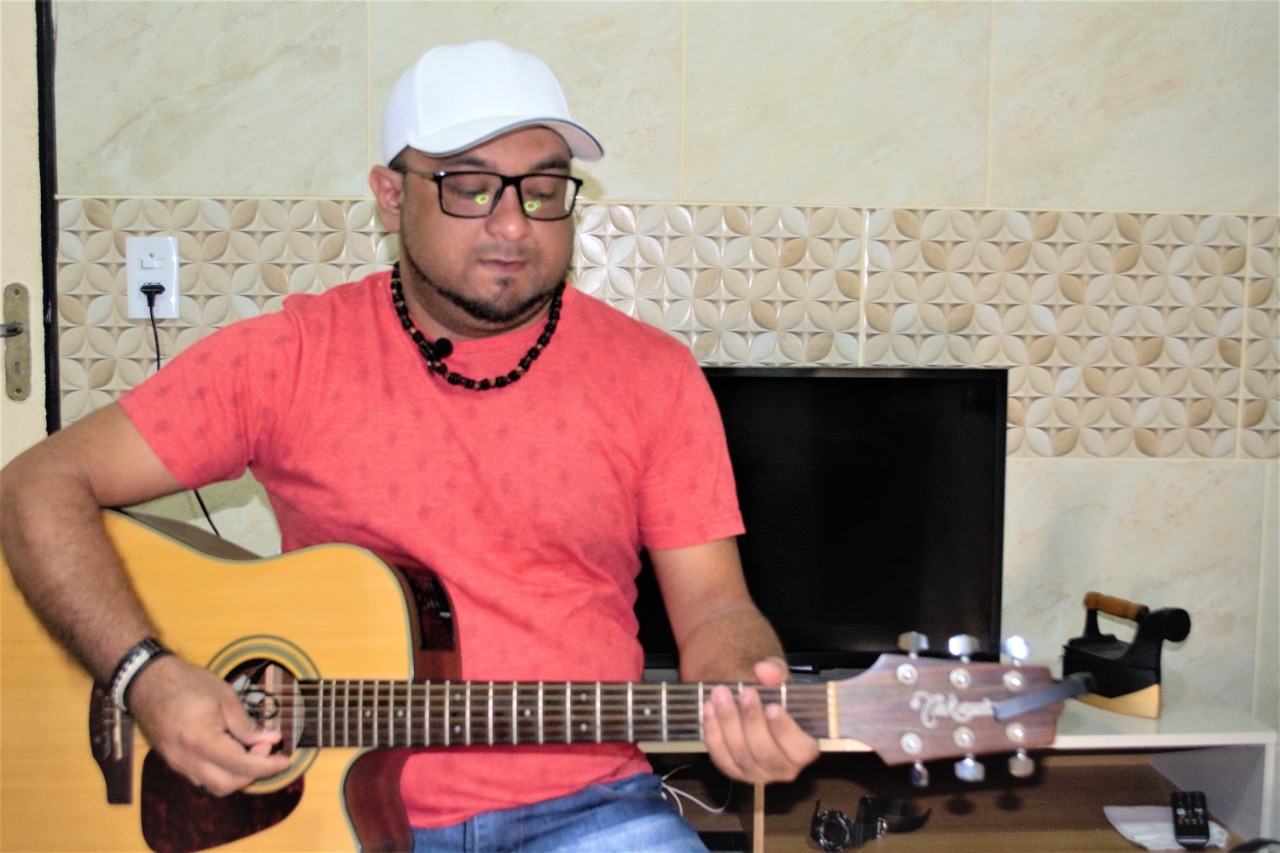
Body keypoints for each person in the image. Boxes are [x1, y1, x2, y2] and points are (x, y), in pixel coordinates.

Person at [0, 40, 819, 851]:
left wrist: (746, 685)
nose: (513, 225)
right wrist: (144, 676)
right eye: (469, 189)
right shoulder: (291, 357)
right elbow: (35, 486)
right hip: (327, 822)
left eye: (542, 191)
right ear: (391, 198)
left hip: (591, 811)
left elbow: (715, 608)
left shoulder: (653, 376)